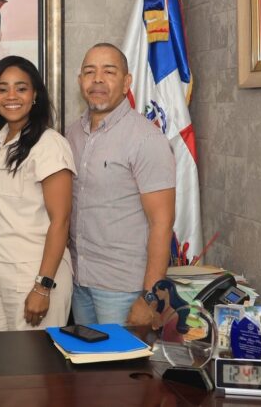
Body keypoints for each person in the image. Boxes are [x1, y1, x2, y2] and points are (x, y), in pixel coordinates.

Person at [66, 42, 176, 327]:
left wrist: (150, 297)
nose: (98, 79)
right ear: (80, 81)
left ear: (127, 82)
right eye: (89, 72)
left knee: (120, 358)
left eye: (109, 71)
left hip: (123, 289)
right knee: (84, 356)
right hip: (79, 281)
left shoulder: (146, 139)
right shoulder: (71, 134)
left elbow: (162, 222)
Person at [0, 56, 75, 331]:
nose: (11, 96)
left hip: (34, 273)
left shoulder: (49, 144)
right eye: (2, 89)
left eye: (21, 88)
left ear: (35, 94)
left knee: (32, 358)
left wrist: (43, 286)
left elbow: (61, 221)